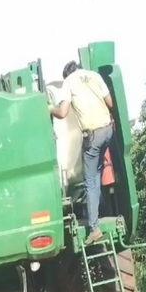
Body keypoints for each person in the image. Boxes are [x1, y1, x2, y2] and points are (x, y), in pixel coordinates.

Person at [48, 60, 115, 245]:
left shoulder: (68, 82)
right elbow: (110, 102)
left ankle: (94, 228)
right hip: (107, 131)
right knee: (97, 172)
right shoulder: (94, 75)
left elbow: (62, 113)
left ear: (66, 74)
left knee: (90, 181)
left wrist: (48, 108)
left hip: (92, 136)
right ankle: (99, 211)